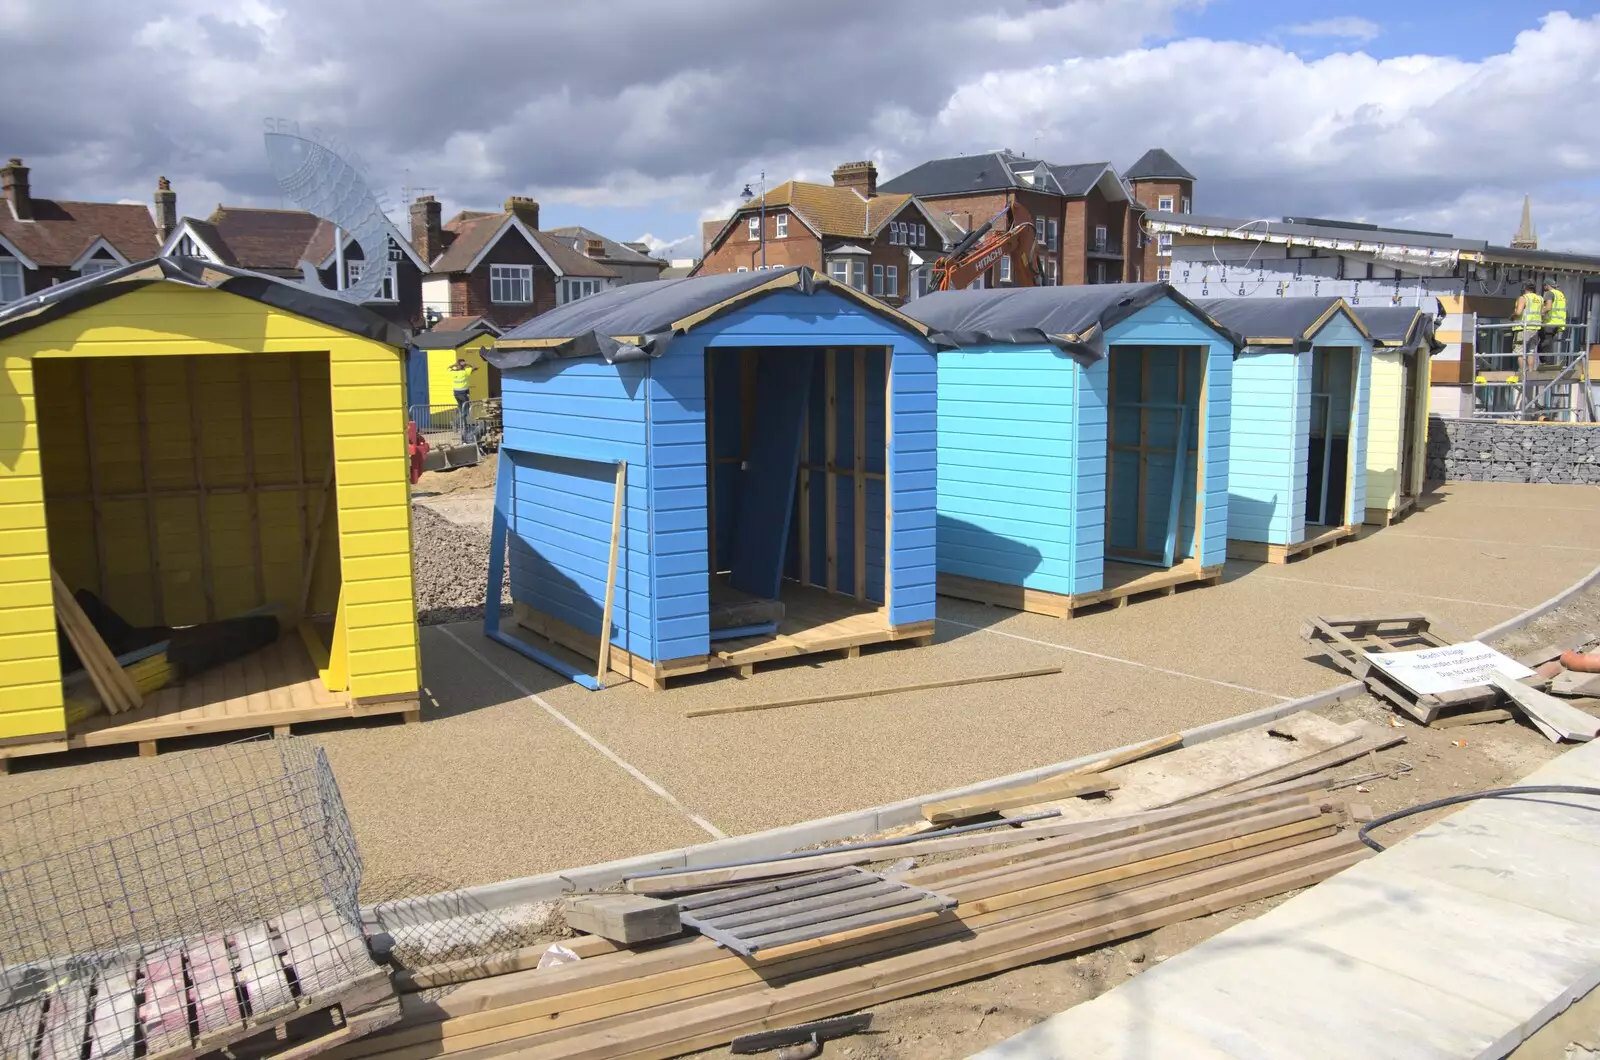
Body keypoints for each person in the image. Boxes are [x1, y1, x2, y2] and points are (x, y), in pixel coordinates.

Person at [1512, 282, 1543, 379]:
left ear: (1524, 289)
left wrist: (1512, 316)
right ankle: (1530, 371)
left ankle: (1522, 371)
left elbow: (1518, 312)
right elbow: (1542, 313)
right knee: (1531, 351)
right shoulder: (1540, 299)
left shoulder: (1523, 298)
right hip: (1534, 328)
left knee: (1520, 351)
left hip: (1523, 328)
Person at [449, 356, 477, 439]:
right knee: (466, 411)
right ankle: (455, 422)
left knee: (462, 410)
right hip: (463, 394)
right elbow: (475, 367)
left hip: (456, 394)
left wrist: (455, 364)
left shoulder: (453, 372)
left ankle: (463, 427)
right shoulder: (465, 372)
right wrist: (467, 363)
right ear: (464, 366)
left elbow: (449, 367)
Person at [1540, 280, 1567, 362]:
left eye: (1544, 286)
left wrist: (1540, 313)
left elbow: (1548, 307)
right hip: (1559, 323)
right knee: (1546, 344)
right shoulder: (1560, 294)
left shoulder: (1549, 293)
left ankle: (1548, 365)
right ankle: (1546, 363)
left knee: (1546, 345)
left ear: (1547, 285)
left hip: (1550, 323)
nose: (1544, 288)